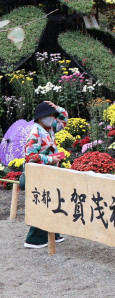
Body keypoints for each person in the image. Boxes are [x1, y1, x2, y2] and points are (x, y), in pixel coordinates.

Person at [24, 100, 68, 248]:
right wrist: (50, 158)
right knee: (44, 202)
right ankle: (34, 239)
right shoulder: (35, 133)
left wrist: (58, 108)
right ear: (40, 117)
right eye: (48, 115)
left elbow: (63, 122)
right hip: (39, 174)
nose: (52, 118)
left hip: (49, 172)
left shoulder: (49, 128)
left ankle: (53, 234)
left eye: (52, 115)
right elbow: (29, 156)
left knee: (53, 200)